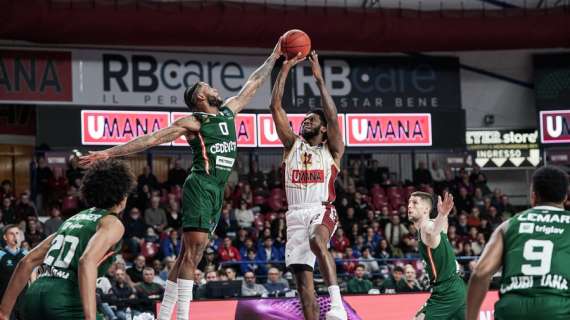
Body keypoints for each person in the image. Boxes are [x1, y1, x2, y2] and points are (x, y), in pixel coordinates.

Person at [79, 37, 283, 320]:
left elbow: (252, 85)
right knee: (194, 253)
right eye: (208, 87)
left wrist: (274, 57)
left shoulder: (227, 113)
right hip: (200, 185)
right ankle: (183, 316)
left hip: (217, 191)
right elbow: (150, 139)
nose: (215, 89)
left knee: (190, 254)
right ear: (200, 97)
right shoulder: (194, 122)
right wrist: (108, 154)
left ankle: (164, 316)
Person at [0, 159, 135, 320]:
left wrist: (4, 312)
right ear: (122, 196)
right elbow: (86, 261)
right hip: (64, 300)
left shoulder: (72, 220)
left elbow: (27, 262)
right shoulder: (112, 222)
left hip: (33, 297)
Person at [269, 50, 347, 320]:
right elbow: (275, 107)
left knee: (317, 239)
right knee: (304, 288)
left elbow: (334, 117)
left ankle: (337, 304)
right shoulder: (292, 145)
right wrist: (286, 67)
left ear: (324, 129)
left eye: (312, 119)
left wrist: (319, 80)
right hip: (294, 215)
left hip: (321, 209)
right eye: (305, 118)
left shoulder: (332, 150)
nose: (306, 120)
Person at [467, 166, 570, 320]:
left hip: (511, 311)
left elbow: (480, 273)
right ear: (565, 197)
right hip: (557, 310)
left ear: (533, 197)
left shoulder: (508, 225)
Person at [407, 191, 465, 320]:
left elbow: (433, 230)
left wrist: (442, 214)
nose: (410, 206)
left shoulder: (426, 226)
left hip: (445, 292)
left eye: (415, 202)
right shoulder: (438, 223)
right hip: (458, 288)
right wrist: (443, 216)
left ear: (426, 209)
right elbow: (440, 226)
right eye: (409, 202)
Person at [0, 225, 26, 320]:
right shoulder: (1, 255)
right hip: (5, 302)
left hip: (23, 301)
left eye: (17, 233)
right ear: (5, 237)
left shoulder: (26, 254)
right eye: (11, 234)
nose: (15, 236)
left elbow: (32, 277)